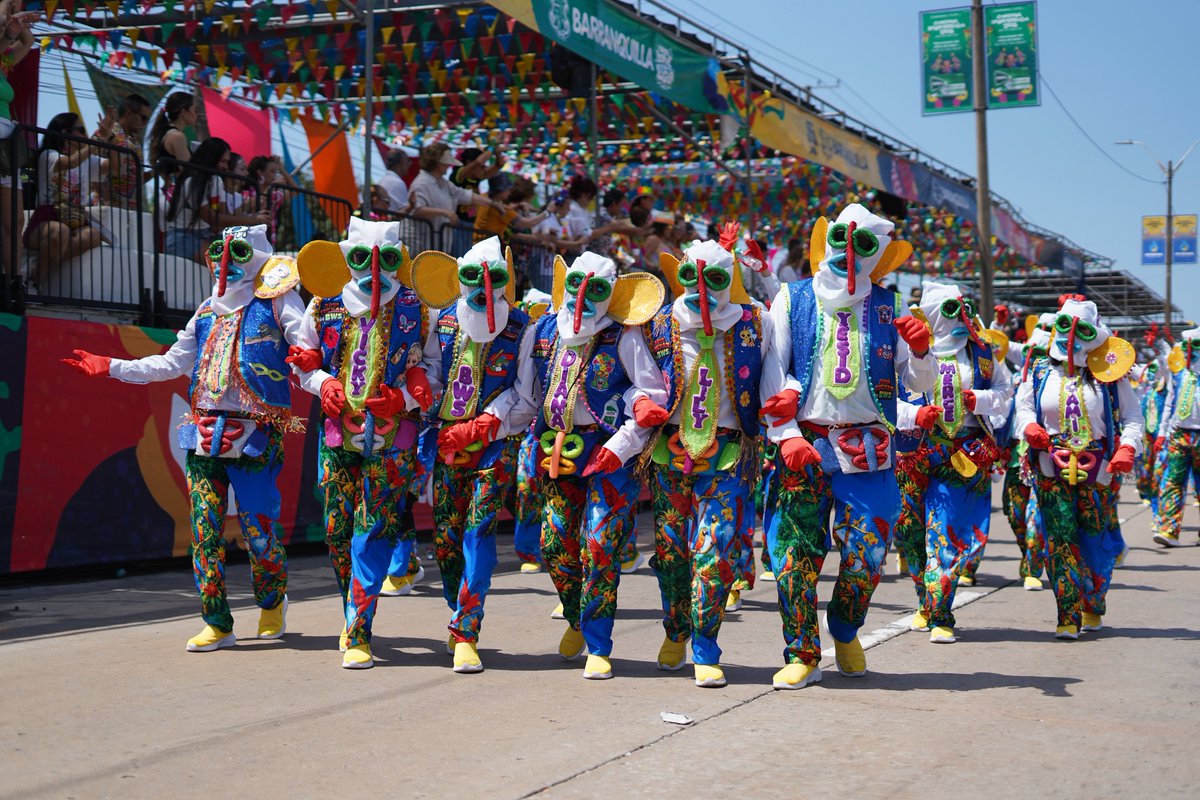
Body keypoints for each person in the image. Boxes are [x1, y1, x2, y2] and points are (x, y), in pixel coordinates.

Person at [61, 225, 306, 652]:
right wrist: (112, 365)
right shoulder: (206, 311)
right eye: (218, 250)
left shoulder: (278, 300)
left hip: (256, 436)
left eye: (237, 251)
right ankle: (217, 622)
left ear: (259, 257)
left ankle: (271, 602)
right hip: (204, 434)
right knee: (204, 530)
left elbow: (307, 346)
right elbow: (172, 363)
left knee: (259, 529)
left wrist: (311, 359)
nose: (225, 260)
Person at [761, 204, 936, 689]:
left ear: (876, 253)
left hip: (869, 450)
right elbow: (772, 373)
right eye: (841, 237)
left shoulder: (890, 305)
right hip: (807, 444)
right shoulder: (791, 298)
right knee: (793, 555)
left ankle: (844, 628)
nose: (847, 251)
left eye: (862, 244)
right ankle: (802, 652)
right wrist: (787, 435)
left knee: (869, 553)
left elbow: (917, 383)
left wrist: (922, 352)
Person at [287, 218, 444, 669]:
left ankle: (359, 628)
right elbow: (303, 363)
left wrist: (405, 395)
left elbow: (433, 368)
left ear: (400, 260)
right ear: (347, 259)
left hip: (394, 439)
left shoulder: (420, 308)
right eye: (361, 259)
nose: (374, 270)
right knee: (337, 533)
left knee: (372, 530)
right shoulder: (324, 304)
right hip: (339, 436)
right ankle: (352, 610)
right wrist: (322, 383)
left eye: (387, 260)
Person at [521, 251, 664, 680]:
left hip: (609, 453)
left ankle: (599, 644)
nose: (582, 297)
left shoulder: (624, 336)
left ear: (610, 294)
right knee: (554, 544)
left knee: (601, 547)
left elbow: (650, 392)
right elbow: (526, 394)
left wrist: (622, 445)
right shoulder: (544, 329)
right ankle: (576, 618)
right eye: (576, 285)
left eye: (596, 288)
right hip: (556, 450)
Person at [637, 236, 773, 688]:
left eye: (713, 279)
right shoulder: (658, 324)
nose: (701, 289)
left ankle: (705, 646)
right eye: (690, 278)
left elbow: (775, 375)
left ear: (729, 280)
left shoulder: (755, 322)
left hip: (730, 453)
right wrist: (640, 403)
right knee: (672, 554)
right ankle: (675, 630)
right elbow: (636, 380)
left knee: (712, 554)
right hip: (669, 452)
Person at [407, 236, 536, 673]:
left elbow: (526, 394)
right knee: (445, 539)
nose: (483, 285)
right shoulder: (441, 320)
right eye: (473, 276)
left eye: (494, 276)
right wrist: (425, 387)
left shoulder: (522, 327)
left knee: (478, 533)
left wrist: (486, 422)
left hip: (493, 445)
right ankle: (457, 608)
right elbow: (429, 368)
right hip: (446, 443)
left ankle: (466, 628)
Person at [892, 281, 1012, 644]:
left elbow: (1006, 396)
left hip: (964, 452)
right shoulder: (907, 350)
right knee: (910, 532)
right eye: (949, 309)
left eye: (962, 308)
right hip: (914, 452)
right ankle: (925, 601)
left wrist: (982, 400)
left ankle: (941, 612)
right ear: (930, 315)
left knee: (946, 532)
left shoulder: (983, 353)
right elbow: (885, 395)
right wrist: (914, 415)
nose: (959, 317)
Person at [1014, 298, 1141, 637]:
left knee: (1094, 539)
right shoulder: (1040, 369)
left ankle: (1092, 603)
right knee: (1060, 537)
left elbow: (1132, 417)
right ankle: (1067, 613)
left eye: (1081, 329)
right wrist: (1029, 429)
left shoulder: (1109, 374)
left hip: (1098, 468)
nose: (1071, 336)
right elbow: (1023, 409)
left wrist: (1128, 448)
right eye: (1064, 326)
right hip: (1050, 464)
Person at [23, 111, 113, 282]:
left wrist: (112, 138)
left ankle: (37, 267)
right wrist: (97, 141)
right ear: (65, 133)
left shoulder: (88, 159)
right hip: (46, 218)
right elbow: (69, 163)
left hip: (76, 218)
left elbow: (114, 167)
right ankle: (34, 281)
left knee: (94, 235)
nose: (85, 135)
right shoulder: (48, 155)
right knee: (60, 231)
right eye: (81, 129)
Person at [165, 138, 269, 263]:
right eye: (223, 161)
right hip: (182, 238)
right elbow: (213, 218)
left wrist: (250, 216)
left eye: (227, 162)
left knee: (247, 255)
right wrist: (251, 219)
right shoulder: (192, 182)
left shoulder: (216, 181)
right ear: (210, 159)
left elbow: (222, 218)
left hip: (206, 236)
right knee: (226, 263)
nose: (226, 166)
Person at [409, 143, 505, 253]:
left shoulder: (444, 183)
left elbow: (465, 195)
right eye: (446, 163)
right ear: (438, 164)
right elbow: (417, 210)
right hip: (423, 243)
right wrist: (445, 213)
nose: (448, 166)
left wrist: (494, 204)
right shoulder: (421, 183)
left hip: (439, 242)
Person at [1152, 329, 1200, 548]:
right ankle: (1169, 529)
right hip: (1179, 433)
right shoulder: (1180, 373)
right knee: (1173, 481)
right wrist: (1162, 433)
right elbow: (1170, 403)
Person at [1, 0, 36, 292]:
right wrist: (5, 13)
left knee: (16, 219)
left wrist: (19, 24)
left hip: (6, 147)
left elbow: (29, 42)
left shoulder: (4, 61)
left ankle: (13, 284)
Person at [95, 93, 151, 208]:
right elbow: (91, 169)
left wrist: (155, 171)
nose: (145, 123)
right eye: (143, 118)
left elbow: (134, 180)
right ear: (129, 113)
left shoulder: (135, 142)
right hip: (109, 210)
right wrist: (105, 199)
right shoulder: (107, 132)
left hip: (132, 211)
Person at [472, 172, 547, 244]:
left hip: (477, 242)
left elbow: (499, 205)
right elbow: (527, 223)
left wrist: (518, 206)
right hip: (488, 245)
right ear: (500, 190)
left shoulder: (484, 198)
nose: (509, 192)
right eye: (507, 189)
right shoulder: (503, 210)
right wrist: (548, 212)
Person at [247, 154, 297, 245]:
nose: (275, 175)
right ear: (260, 173)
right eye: (272, 172)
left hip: (268, 239)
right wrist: (270, 187)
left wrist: (282, 169)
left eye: (276, 172)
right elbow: (258, 204)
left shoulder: (274, 194)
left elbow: (295, 191)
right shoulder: (249, 191)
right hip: (250, 240)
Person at [149, 91, 198, 177]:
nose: (197, 114)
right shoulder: (177, 136)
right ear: (184, 112)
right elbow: (188, 171)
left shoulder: (168, 132)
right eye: (195, 110)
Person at [376, 148, 412, 213]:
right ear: (402, 161)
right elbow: (403, 212)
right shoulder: (397, 182)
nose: (409, 165)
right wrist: (412, 205)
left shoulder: (384, 179)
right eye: (408, 161)